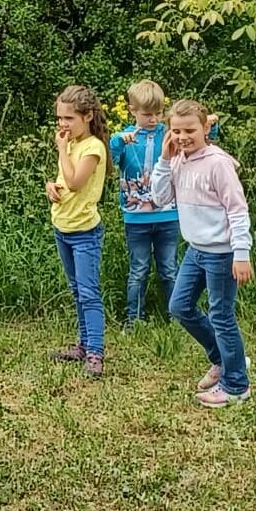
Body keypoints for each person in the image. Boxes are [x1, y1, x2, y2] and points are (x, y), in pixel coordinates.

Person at [147, 99, 253, 405]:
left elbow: (237, 210)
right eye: (176, 130)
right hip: (196, 250)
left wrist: (241, 252)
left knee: (221, 316)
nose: (182, 137)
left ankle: (237, 385)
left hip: (221, 253)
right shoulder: (177, 160)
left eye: (189, 130)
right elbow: (160, 197)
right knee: (180, 307)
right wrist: (164, 161)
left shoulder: (218, 163)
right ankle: (224, 360)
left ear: (205, 128)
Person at [45, 85, 112, 379]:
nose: (62, 124)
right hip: (63, 227)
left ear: (87, 116)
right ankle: (83, 345)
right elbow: (64, 181)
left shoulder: (93, 148)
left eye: (69, 118)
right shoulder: (71, 143)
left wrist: (61, 148)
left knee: (88, 292)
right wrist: (51, 187)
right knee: (76, 290)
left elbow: (75, 182)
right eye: (60, 118)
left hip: (84, 232)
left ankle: (96, 351)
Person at [109, 80, 177, 326]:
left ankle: (177, 317)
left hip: (168, 215)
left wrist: (211, 127)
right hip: (135, 216)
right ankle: (134, 319)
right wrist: (117, 142)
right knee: (138, 270)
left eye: (158, 113)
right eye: (147, 114)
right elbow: (110, 161)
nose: (154, 119)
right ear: (132, 110)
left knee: (169, 269)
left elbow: (196, 139)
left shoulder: (168, 134)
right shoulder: (125, 137)